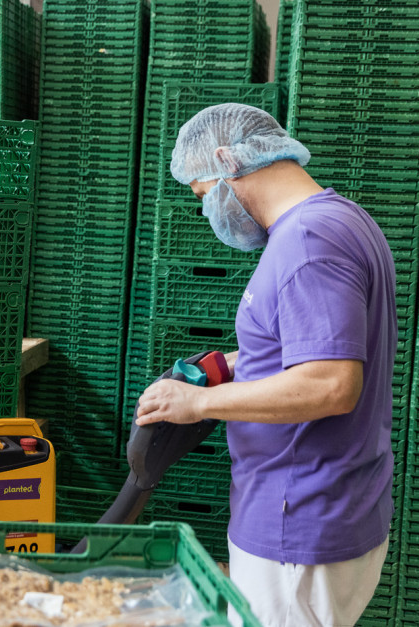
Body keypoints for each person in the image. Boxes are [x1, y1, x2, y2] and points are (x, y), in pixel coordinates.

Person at [135, 103, 397, 627]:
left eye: (204, 196)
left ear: (227, 161)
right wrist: (238, 361)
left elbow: (330, 383)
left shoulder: (308, 242)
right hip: (319, 505)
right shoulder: (340, 220)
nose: (209, 212)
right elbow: (315, 343)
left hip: (298, 518)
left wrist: (199, 401)